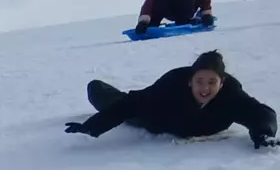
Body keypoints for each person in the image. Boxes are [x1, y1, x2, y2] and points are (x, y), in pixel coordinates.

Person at [65, 50, 275, 149]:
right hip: (156, 119)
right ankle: (97, 87)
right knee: (115, 101)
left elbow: (261, 114)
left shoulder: (232, 95)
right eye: (200, 81)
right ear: (190, 81)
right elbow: (133, 103)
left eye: (212, 82)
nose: (205, 88)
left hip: (195, 126)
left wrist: (263, 134)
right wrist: (92, 125)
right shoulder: (173, 83)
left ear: (222, 83)